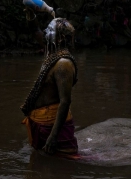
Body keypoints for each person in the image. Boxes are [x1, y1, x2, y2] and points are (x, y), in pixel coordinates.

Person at [20, 18, 79, 159]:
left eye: (49, 31)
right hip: (42, 124)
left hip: (52, 127)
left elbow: (65, 102)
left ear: (59, 39)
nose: (46, 33)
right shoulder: (52, 50)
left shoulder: (63, 64)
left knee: (64, 164)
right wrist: (31, 14)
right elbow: (35, 31)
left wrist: (53, 137)